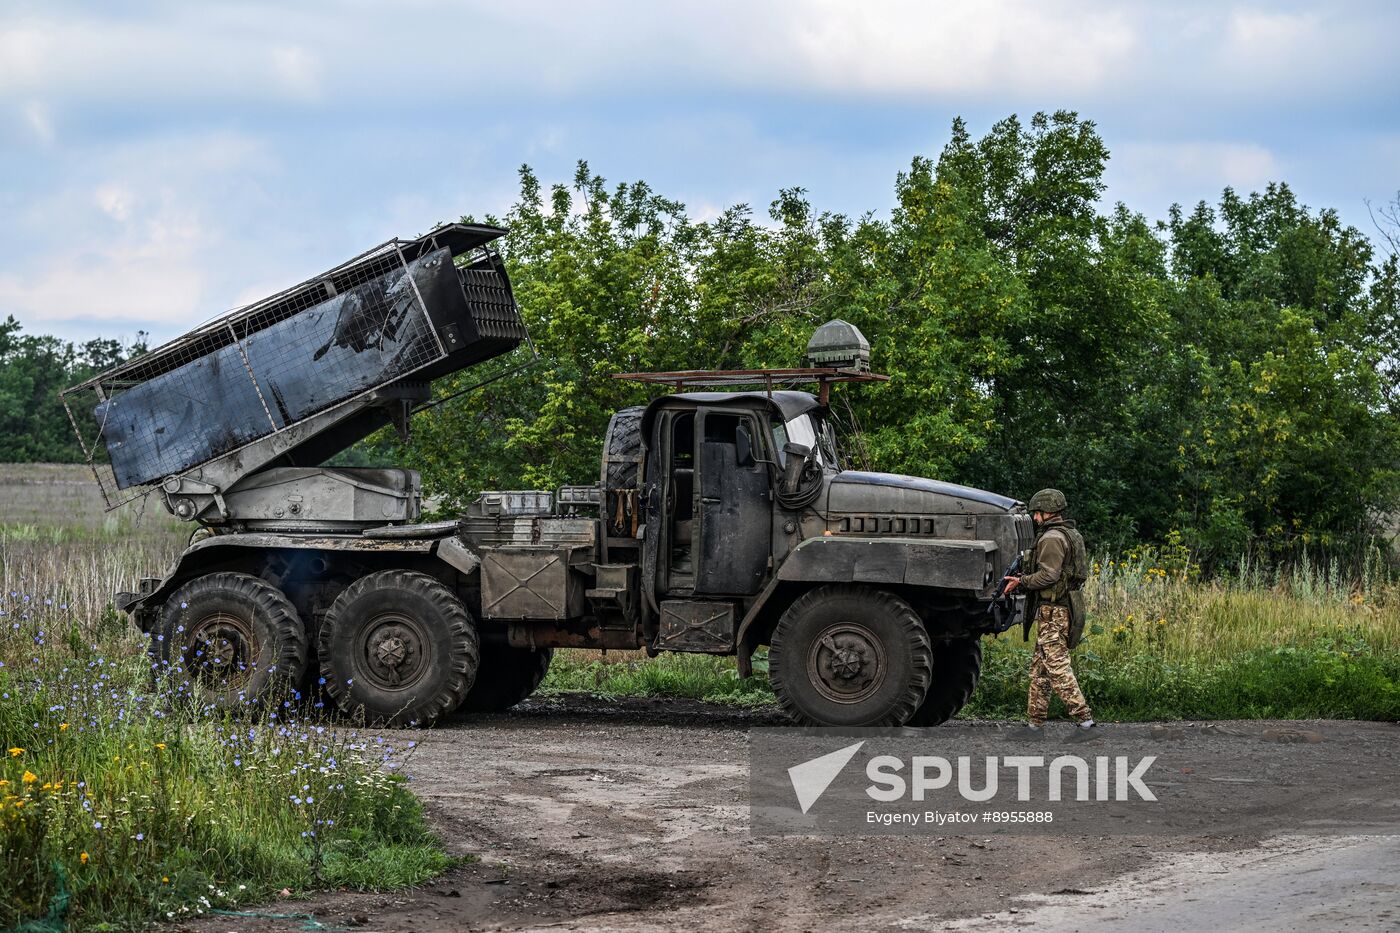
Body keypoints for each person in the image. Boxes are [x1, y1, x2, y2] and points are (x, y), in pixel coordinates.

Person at [1001, 488, 1097, 740]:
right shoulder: (1068, 533)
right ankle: (1035, 725)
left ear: (1048, 512)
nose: (1034, 518)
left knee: (1056, 667)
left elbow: (1049, 575)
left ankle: (1085, 722)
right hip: (1056, 609)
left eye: (1037, 513)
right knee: (1040, 670)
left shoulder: (1052, 538)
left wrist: (1021, 582)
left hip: (1054, 611)